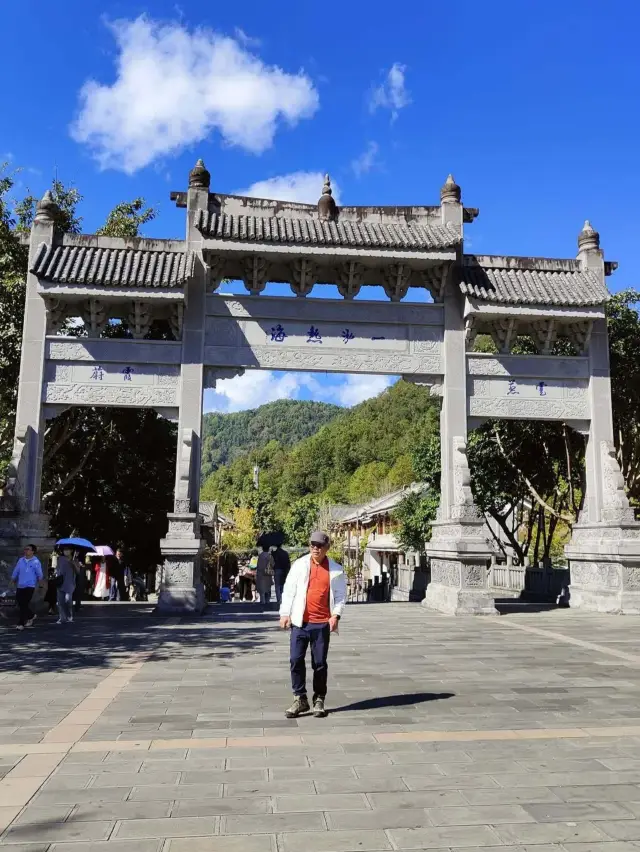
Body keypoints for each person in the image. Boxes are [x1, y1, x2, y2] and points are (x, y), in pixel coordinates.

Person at [279, 531, 346, 719]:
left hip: (321, 624)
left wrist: (336, 616)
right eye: (312, 545)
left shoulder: (335, 570)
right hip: (300, 622)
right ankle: (300, 698)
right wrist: (285, 613)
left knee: (319, 664)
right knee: (295, 660)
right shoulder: (299, 565)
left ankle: (319, 698)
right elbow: (289, 591)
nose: (315, 548)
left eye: (319, 545)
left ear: (327, 547)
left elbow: (340, 596)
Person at [10, 544, 44, 631]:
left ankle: (21, 623)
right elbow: (16, 571)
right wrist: (13, 580)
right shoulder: (21, 560)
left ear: (33, 551)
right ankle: (31, 615)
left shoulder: (36, 562)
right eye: (25, 549)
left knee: (24, 604)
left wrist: (41, 584)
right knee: (21, 604)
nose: (26, 551)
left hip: (30, 586)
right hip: (20, 585)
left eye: (28, 549)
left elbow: (39, 574)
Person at [55, 547, 76, 625]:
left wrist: (73, 563)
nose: (66, 551)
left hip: (70, 583)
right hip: (60, 582)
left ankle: (69, 614)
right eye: (64, 550)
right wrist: (56, 573)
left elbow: (78, 571)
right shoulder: (60, 559)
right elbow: (57, 568)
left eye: (67, 549)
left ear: (71, 550)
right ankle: (62, 618)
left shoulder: (74, 560)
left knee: (68, 600)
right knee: (60, 602)